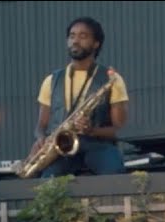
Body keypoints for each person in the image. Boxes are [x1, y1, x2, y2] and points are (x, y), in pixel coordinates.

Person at [31, 17, 130, 177]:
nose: (75, 41)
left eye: (83, 36)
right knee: (46, 184)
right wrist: (40, 138)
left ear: (96, 43)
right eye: (72, 36)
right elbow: (41, 125)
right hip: (60, 148)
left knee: (114, 174)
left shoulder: (112, 79)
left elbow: (120, 129)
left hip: (98, 146)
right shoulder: (51, 80)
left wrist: (92, 130)